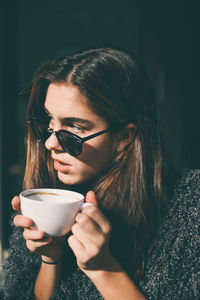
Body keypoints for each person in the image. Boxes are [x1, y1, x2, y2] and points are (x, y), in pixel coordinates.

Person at [0, 47, 199, 300]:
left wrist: (103, 269)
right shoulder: (46, 192)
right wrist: (51, 258)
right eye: (50, 122)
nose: (51, 144)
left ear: (124, 137)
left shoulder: (189, 209)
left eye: (73, 128)